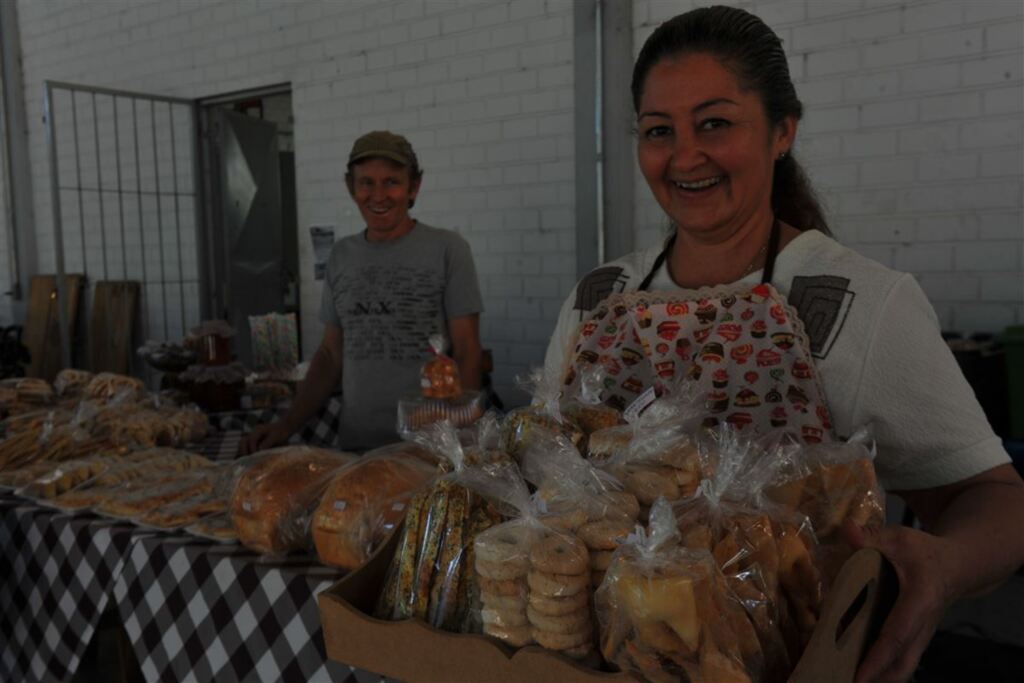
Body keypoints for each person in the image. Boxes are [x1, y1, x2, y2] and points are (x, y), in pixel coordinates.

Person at [544, 7, 1024, 682]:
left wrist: (943, 566)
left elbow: (998, 499)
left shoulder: (863, 301)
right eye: (659, 130)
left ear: (782, 131)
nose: (685, 155)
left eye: (715, 123)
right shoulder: (596, 298)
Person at [242, 130, 483, 453]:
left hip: (427, 449)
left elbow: (468, 350)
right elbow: (330, 355)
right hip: (357, 447)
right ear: (351, 187)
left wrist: (460, 443)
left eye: (392, 182)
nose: (378, 195)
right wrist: (286, 425)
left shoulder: (448, 250)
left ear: (414, 187)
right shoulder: (342, 256)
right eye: (366, 182)